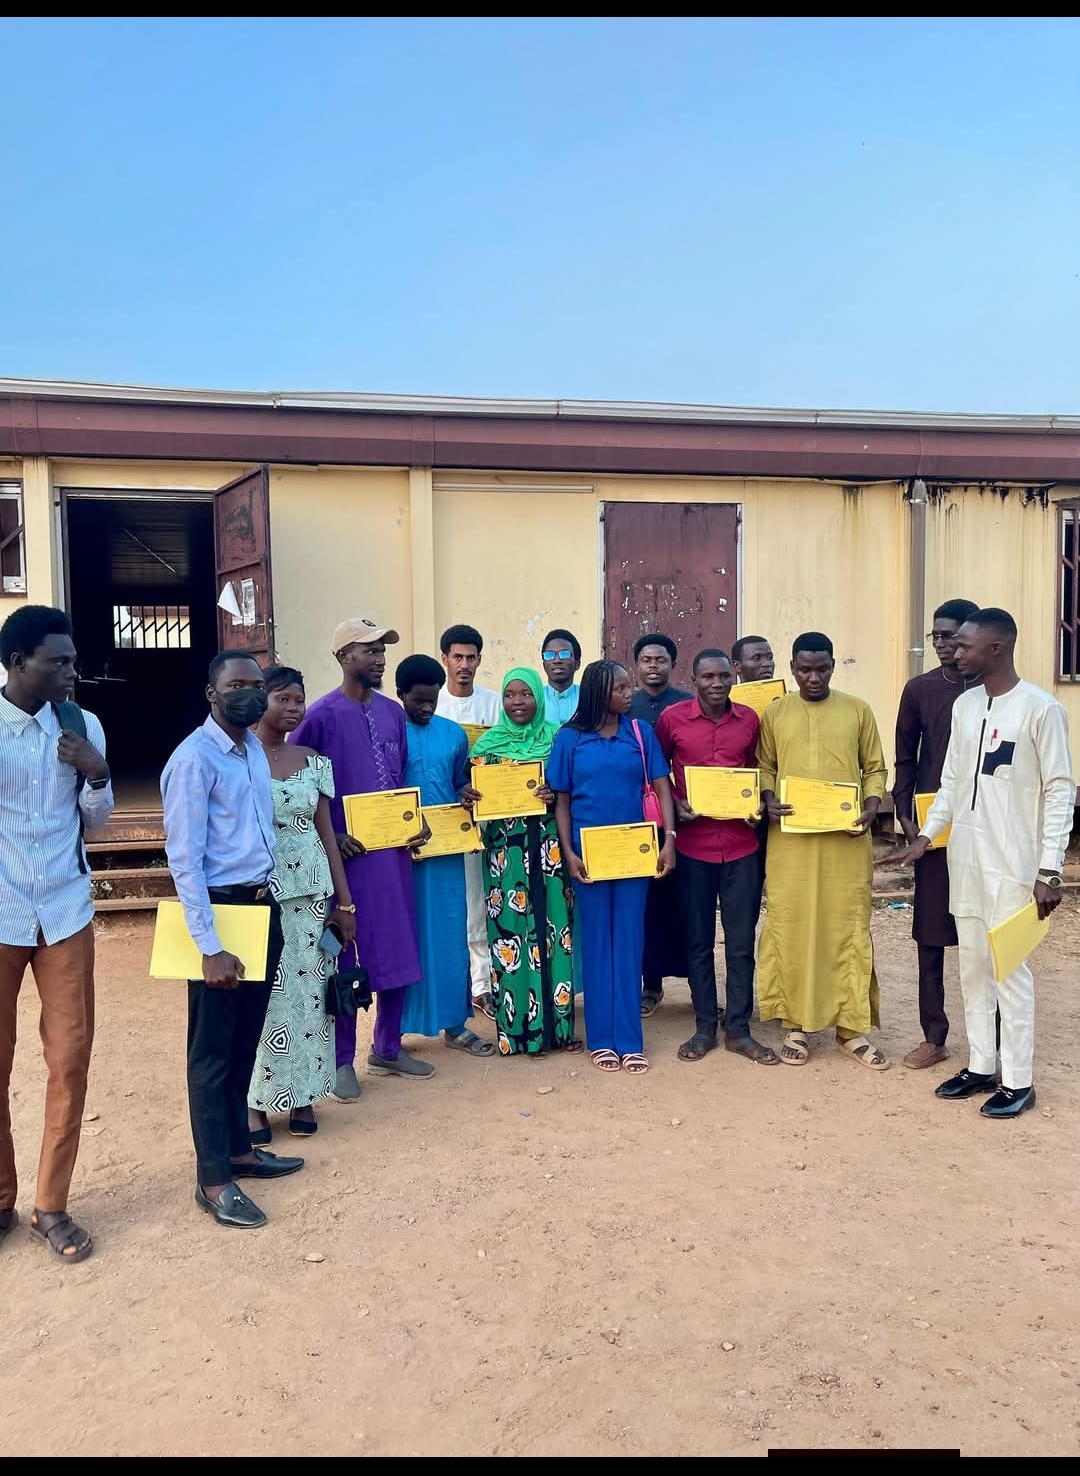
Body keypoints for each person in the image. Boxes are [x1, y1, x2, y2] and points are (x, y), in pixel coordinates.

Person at [889, 609, 1074, 1119]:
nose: (955, 652)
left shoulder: (1041, 709)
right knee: (972, 966)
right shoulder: (966, 706)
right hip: (964, 859)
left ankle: (1018, 1081)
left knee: (1009, 970)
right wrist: (926, 837)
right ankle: (981, 1065)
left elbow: (1060, 791)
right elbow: (950, 782)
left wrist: (1050, 870)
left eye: (966, 645)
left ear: (998, 648)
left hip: (1014, 864)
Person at [162, 651, 303, 1230]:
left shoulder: (251, 753)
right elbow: (184, 861)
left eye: (256, 685)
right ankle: (213, 1178)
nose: (249, 693)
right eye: (236, 684)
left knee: (245, 1039)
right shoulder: (194, 760)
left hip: (259, 907)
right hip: (218, 917)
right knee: (211, 1053)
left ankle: (240, 1150)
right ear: (212, 694)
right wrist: (209, 944)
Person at [0, 605, 113, 1262]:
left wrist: (97, 772)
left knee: (69, 1058)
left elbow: (95, 822)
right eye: (59, 661)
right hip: (1, 912)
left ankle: (51, 1206)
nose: (73, 671)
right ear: (19, 663)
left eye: (73, 660)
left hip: (65, 912)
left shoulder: (81, 724)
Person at [291, 618, 432, 1088]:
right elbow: (296, 785)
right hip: (346, 862)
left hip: (393, 856)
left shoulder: (393, 713)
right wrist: (330, 835)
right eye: (369, 650)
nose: (380, 658)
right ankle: (341, 1060)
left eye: (382, 650)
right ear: (342, 656)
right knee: (347, 955)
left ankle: (388, 1048)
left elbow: (400, 776)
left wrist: (415, 821)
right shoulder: (319, 716)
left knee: (397, 948)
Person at [757, 632, 890, 1070]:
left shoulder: (858, 710)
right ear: (792, 669)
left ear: (833, 666)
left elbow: (875, 768)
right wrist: (768, 797)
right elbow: (765, 766)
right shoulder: (776, 712)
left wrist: (872, 806)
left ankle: (851, 1028)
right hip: (791, 841)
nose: (813, 678)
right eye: (804, 670)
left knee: (846, 925)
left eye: (821, 669)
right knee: (793, 925)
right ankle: (796, 1024)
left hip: (845, 841)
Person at [246, 667, 358, 1144]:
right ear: (262, 701)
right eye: (283, 699)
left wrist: (345, 903)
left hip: (312, 895)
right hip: (260, 894)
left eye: (299, 700)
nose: (293, 708)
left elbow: (326, 835)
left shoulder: (313, 761)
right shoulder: (237, 757)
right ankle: (255, 1103)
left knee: (312, 998)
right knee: (265, 999)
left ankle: (305, 1095)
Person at [550, 660, 676, 1075]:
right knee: (597, 943)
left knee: (629, 940)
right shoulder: (569, 739)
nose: (629, 693)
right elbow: (562, 801)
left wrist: (669, 840)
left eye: (628, 687)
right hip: (589, 855)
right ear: (597, 693)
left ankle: (629, 1039)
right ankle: (601, 1039)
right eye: (620, 688)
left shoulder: (639, 733)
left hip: (634, 853)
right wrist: (568, 852)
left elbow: (662, 788)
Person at [656, 649, 777, 1066]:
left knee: (741, 943)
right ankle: (705, 1026)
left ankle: (738, 1029)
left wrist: (758, 802)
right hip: (693, 847)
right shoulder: (672, 719)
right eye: (708, 676)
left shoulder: (749, 720)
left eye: (724, 676)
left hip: (742, 846)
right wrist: (676, 801)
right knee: (698, 942)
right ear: (694, 680)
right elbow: (657, 773)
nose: (717, 683)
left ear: (733, 677)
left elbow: (759, 769)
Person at [892, 598, 980, 1069]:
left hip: (983, 829)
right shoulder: (921, 689)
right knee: (930, 934)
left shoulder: (994, 691)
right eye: (937, 636)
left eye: (953, 637)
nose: (944, 645)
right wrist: (906, 816)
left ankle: (992, 1040)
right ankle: (934, 1035)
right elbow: (905, 757)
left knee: (986, 938)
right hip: (933, 829)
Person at [472, 669, 577, 1056]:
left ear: (539, 698)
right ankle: (515, 1033)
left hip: (550, 849)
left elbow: (573, 788)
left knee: (554, 931)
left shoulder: (557, 739)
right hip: (506, 857)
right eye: (510, 695)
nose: (518, 702)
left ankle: (558, 1031)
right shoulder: (487, 746)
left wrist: (556, 793)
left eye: (526, 694)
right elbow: (472, 797)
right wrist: (471, 796)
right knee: (510, 935)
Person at [398, 655, 493, 1058]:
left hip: (447, 852)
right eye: (418, 700)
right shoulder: (389, 734)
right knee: (405, 939)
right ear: (401, 694)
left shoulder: (453, 734)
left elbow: (458, 782)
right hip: (401, 854)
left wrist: (464, 793)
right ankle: (394, 1030)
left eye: (432, 700)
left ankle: (456, 1024)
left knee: (452, 936)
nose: (426, 707)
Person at [435, 624, 502, 1018]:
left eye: (471, 657)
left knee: (478, 897)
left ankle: (481, 985)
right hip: (441, 815)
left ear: (479, 660)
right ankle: (449, 985)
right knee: (447, 899)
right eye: (457, 657)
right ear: (445, 658)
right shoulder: (433, 704)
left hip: (485, 812)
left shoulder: (494, 704)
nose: (464, 665)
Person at [629, 632, 691, 1016]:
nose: (653, 666)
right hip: (635, 818)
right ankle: (650, 986)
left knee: (686, 904)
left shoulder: (687, 704)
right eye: (646, 660)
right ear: (636, 665)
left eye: (661, 660)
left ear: (673, 664)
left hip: (683, 817)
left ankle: (697, 985)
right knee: (647, 904)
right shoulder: (625, 705)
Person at [732, 634, 776, 902]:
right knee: (746, 886)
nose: (766, 664)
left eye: (769, 657)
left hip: (781, 804)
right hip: (739, 808)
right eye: (757, 658)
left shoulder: (787, 704)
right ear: (737, 666)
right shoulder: (722, 707)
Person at [541, 629, 582, 725]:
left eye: (564, 654)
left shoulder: (588, 697)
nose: (556, 661)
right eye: (549, 655)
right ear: (544, 665)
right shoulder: (535, 699)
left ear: (577, 664)